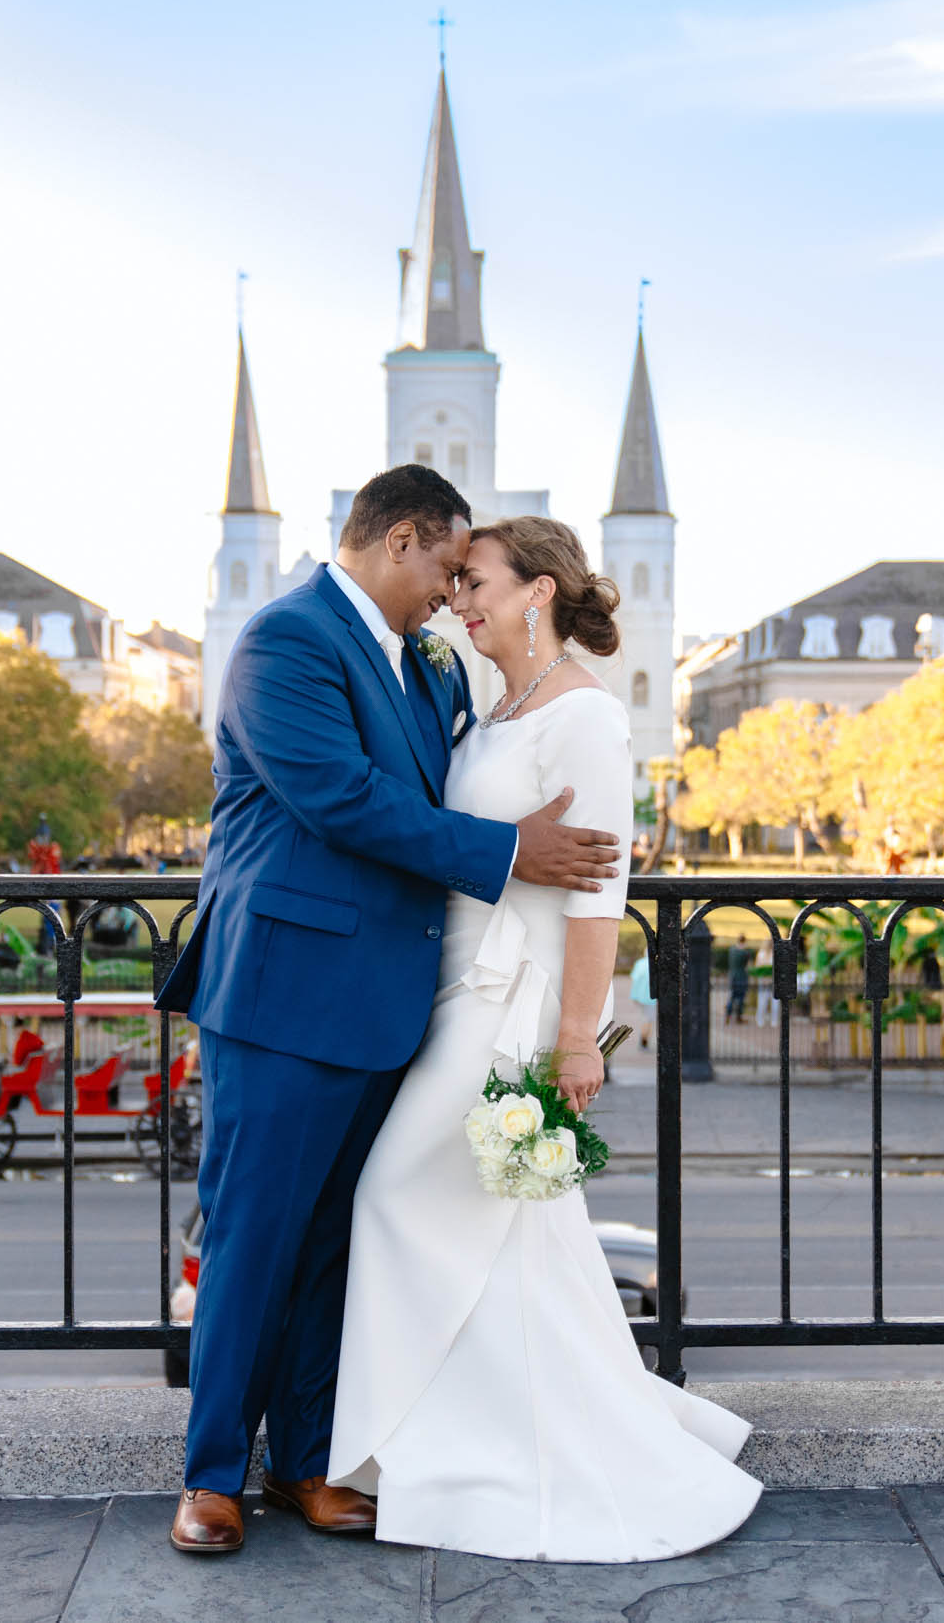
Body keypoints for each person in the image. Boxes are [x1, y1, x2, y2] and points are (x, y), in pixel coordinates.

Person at [152, 466, 622, 1556]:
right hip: (278, 997)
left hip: (392, 1006)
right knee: (252, 1236)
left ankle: (307, 1460)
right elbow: (343, 800)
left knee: (333, 1244)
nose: (451, 596)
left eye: (471, 577)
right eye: (446, 570)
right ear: (403, 541)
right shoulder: (285, 641)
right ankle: (211, 1474)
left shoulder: (429, 667)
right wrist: (512, 852)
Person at [329, 514, 761, 1562]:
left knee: (395, 1197)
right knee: (517, 1236)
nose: (455, 598)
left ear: (535, 590)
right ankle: (464, 1449)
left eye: (472, 580)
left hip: (508, 1010)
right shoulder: (495, 704)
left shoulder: (584, 720)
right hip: (453, 991)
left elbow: (597, 898)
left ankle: (446, 1451)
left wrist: (578, 1039)